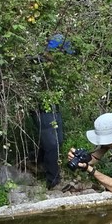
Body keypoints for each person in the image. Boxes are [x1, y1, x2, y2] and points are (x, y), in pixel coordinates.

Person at [33, 34, 73, 190]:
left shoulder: (53, 68)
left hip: (52, 104)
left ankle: (38, 165)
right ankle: (53, 181)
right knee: (52, 142)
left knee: (58, 139)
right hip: (42, 106)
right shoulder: (38, 65)